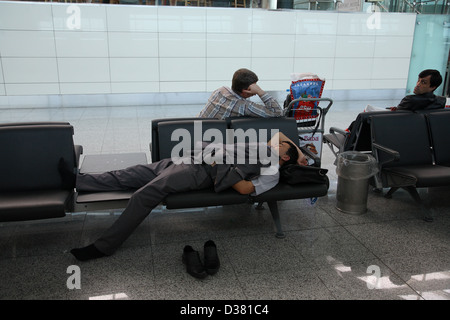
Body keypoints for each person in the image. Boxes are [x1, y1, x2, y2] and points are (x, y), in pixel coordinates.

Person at [65, 132, 307, 262]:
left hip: (198, 171)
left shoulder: (272, 171)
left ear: (284, 158)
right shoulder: (270, 148)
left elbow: (245, 190)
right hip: (191, 158)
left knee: (143, 195)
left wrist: (223, 167)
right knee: (132, 173)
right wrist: (298, 151)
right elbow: (279, 136)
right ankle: (78, 181)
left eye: (280, 148)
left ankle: (104, 247)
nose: (275, 144)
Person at [198, 68, 284, 119]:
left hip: (196, 129)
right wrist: (260, 92)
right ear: (245, 91)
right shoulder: (243, 106)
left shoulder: (220, 90)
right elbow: (277, 113)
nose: (256, 89)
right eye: (254, 87)